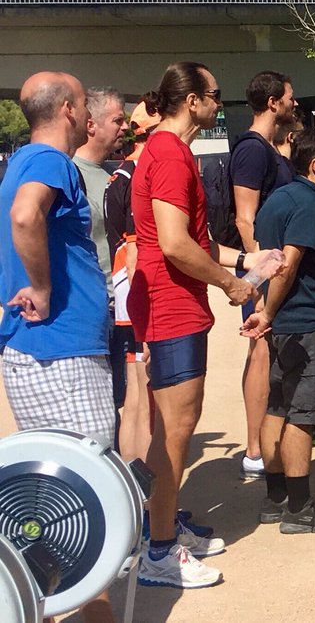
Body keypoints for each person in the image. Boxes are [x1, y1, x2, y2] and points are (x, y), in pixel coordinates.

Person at [129, 61, 282, 589]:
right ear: (191, 100)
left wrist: (249, 261)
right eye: (215, 95)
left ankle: (161, 527)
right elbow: (173, 244)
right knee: (175, 428)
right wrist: (229, 282)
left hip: (174, 300)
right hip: (172, 304)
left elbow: (189, 239)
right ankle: (160, 551)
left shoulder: (170, 152)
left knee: (173, 426)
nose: (221, 103)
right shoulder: (170, 154)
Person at [0, 72, 119, 623]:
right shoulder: (51, 161)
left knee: (50, 505)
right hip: (61, 351)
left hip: (46, 350)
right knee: (86, 507)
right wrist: (44, 290)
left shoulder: (22, 159)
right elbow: (27, 215)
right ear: (71, 109)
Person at [243, 129, 315, 535]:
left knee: (278, 406)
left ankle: (276, 499)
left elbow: (263, 256)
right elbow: (287, 263)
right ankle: (300, 507)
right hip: (304, 322)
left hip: (281, 326)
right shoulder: (310, 202)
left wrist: (257, 299)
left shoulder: (278, 198)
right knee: (303, 415)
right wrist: (268, 309)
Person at [229, 70, 297, 481]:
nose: (294, 103)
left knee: (272, 354)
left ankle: (268, 441)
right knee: (261, 352)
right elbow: (244, 216)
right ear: (273, 102)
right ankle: (255, 450)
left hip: (277, 267)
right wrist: (258, 272)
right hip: (263, 269)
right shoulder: (252, 150)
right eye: (290, 97)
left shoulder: (271, 150)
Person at [104, 97, 161, 464]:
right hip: (136, 285)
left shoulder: (118, 175)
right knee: (144, 394)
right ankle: (146, 497)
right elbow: (135, 244)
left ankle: (134, 490)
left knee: (136, 396)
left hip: (124, 285)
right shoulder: (137, 175)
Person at [73, 87, 129, 406]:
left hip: (119, 305)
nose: (125, 127)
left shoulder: (111, 175)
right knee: (105, 406)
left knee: (123, 401)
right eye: (117, 120)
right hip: (98, 310)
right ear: (91, 125)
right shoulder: (69, 175)